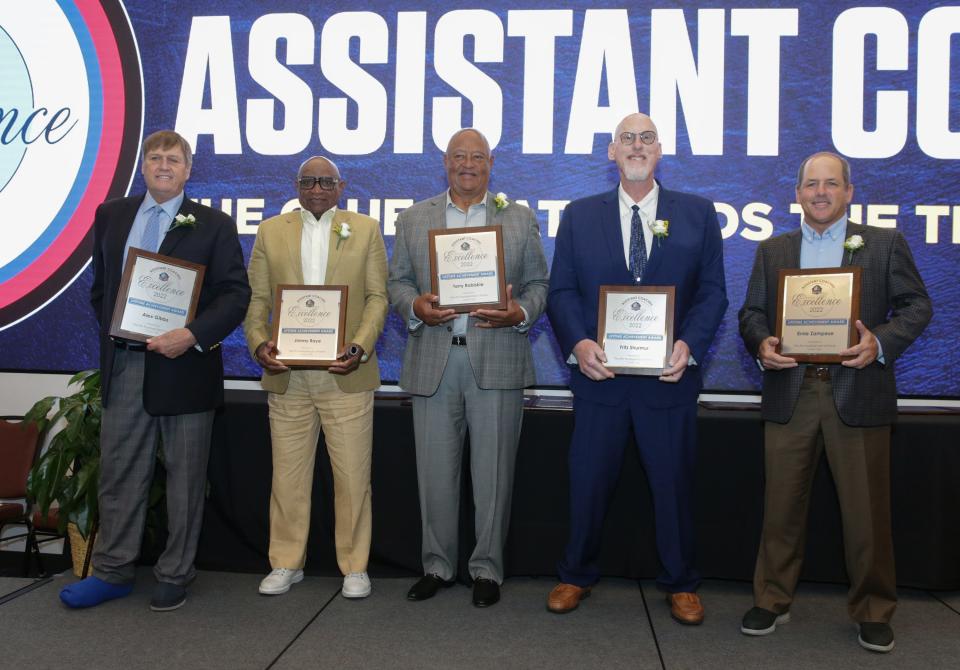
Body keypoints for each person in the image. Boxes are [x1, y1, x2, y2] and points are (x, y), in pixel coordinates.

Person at [738, 152, 932, 652]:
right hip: (791, 392)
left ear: (848, 191)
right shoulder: (773, 249)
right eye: (810, 184)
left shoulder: (884, 243)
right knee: (780, 507)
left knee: (867, 514)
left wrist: (881, 342)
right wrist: (761, 343)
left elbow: (917, 305)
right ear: (798, 193)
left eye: (830, 184)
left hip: (857, 390)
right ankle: (771, 599)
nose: (820, 192)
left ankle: (873, 608)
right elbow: (752, 312)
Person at [545, 113, 727, 624]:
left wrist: (688, 345)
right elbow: (561, 291)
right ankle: (574, 573)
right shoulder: (580, 216)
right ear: (611, 152)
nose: (637, 145)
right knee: (588, 482)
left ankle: (682, 582)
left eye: (646, 138)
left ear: (660, 150)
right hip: (599, 380)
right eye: (628, 138)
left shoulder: (697, 213)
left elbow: (713, 291)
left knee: (672, 484)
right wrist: (579, 343)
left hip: (668, 381)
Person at [61, 130, 250, 611]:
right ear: (143, 165)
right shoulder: (112, 215)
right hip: (126, 364)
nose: (163, 165)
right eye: (154, 157)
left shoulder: (214, 224)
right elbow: (101, 289)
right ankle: (112, 570)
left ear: (189, 169)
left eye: (173, 159)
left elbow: (235, 295)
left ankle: (175, 572)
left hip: (185, 365)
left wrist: (190, 335)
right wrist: (119, 330)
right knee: (119, 473)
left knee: (186, 478)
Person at [387, 128, 549, 607]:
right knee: (434, 474)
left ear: (491, 163)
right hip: (435, 357)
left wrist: (520, 312)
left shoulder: (518, 219)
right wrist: (415, 305)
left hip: (496, 356)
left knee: (494, 474)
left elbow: (539, 284)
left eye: (477, 156)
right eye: (459, 156)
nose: (468, 164)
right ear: (446, 162)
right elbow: (396, 282)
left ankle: (487, 570)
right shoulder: (415, 218)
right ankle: (437, 565)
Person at [243, 156, 387, 599]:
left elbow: (378, 297)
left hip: (345, 375)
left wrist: (359, 348)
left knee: (352, 479)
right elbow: (257, 300)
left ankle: (355, 567)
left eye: (326, 181)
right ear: (298, 186)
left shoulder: (365, 229)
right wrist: (259, 344)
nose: (318, 188)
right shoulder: (270, 230)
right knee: (286, 478)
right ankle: (286, 562)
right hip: (288, 378)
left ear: (341, 185)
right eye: (309, 181)